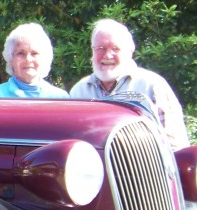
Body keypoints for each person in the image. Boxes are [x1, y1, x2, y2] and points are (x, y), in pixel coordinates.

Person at [70, 19, 190, 149]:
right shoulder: (78, 92)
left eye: (115, 49)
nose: (107, 55)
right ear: (92, 51)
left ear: (130, 52)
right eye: (101, 48)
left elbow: (175, 143)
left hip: (141, 167)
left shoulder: (152, 85)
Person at [0, 23, 69, 98]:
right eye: (20, 53)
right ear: (11, 59)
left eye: (34, 53)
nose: (28, 59)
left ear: (45, 58)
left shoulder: (60, 98)